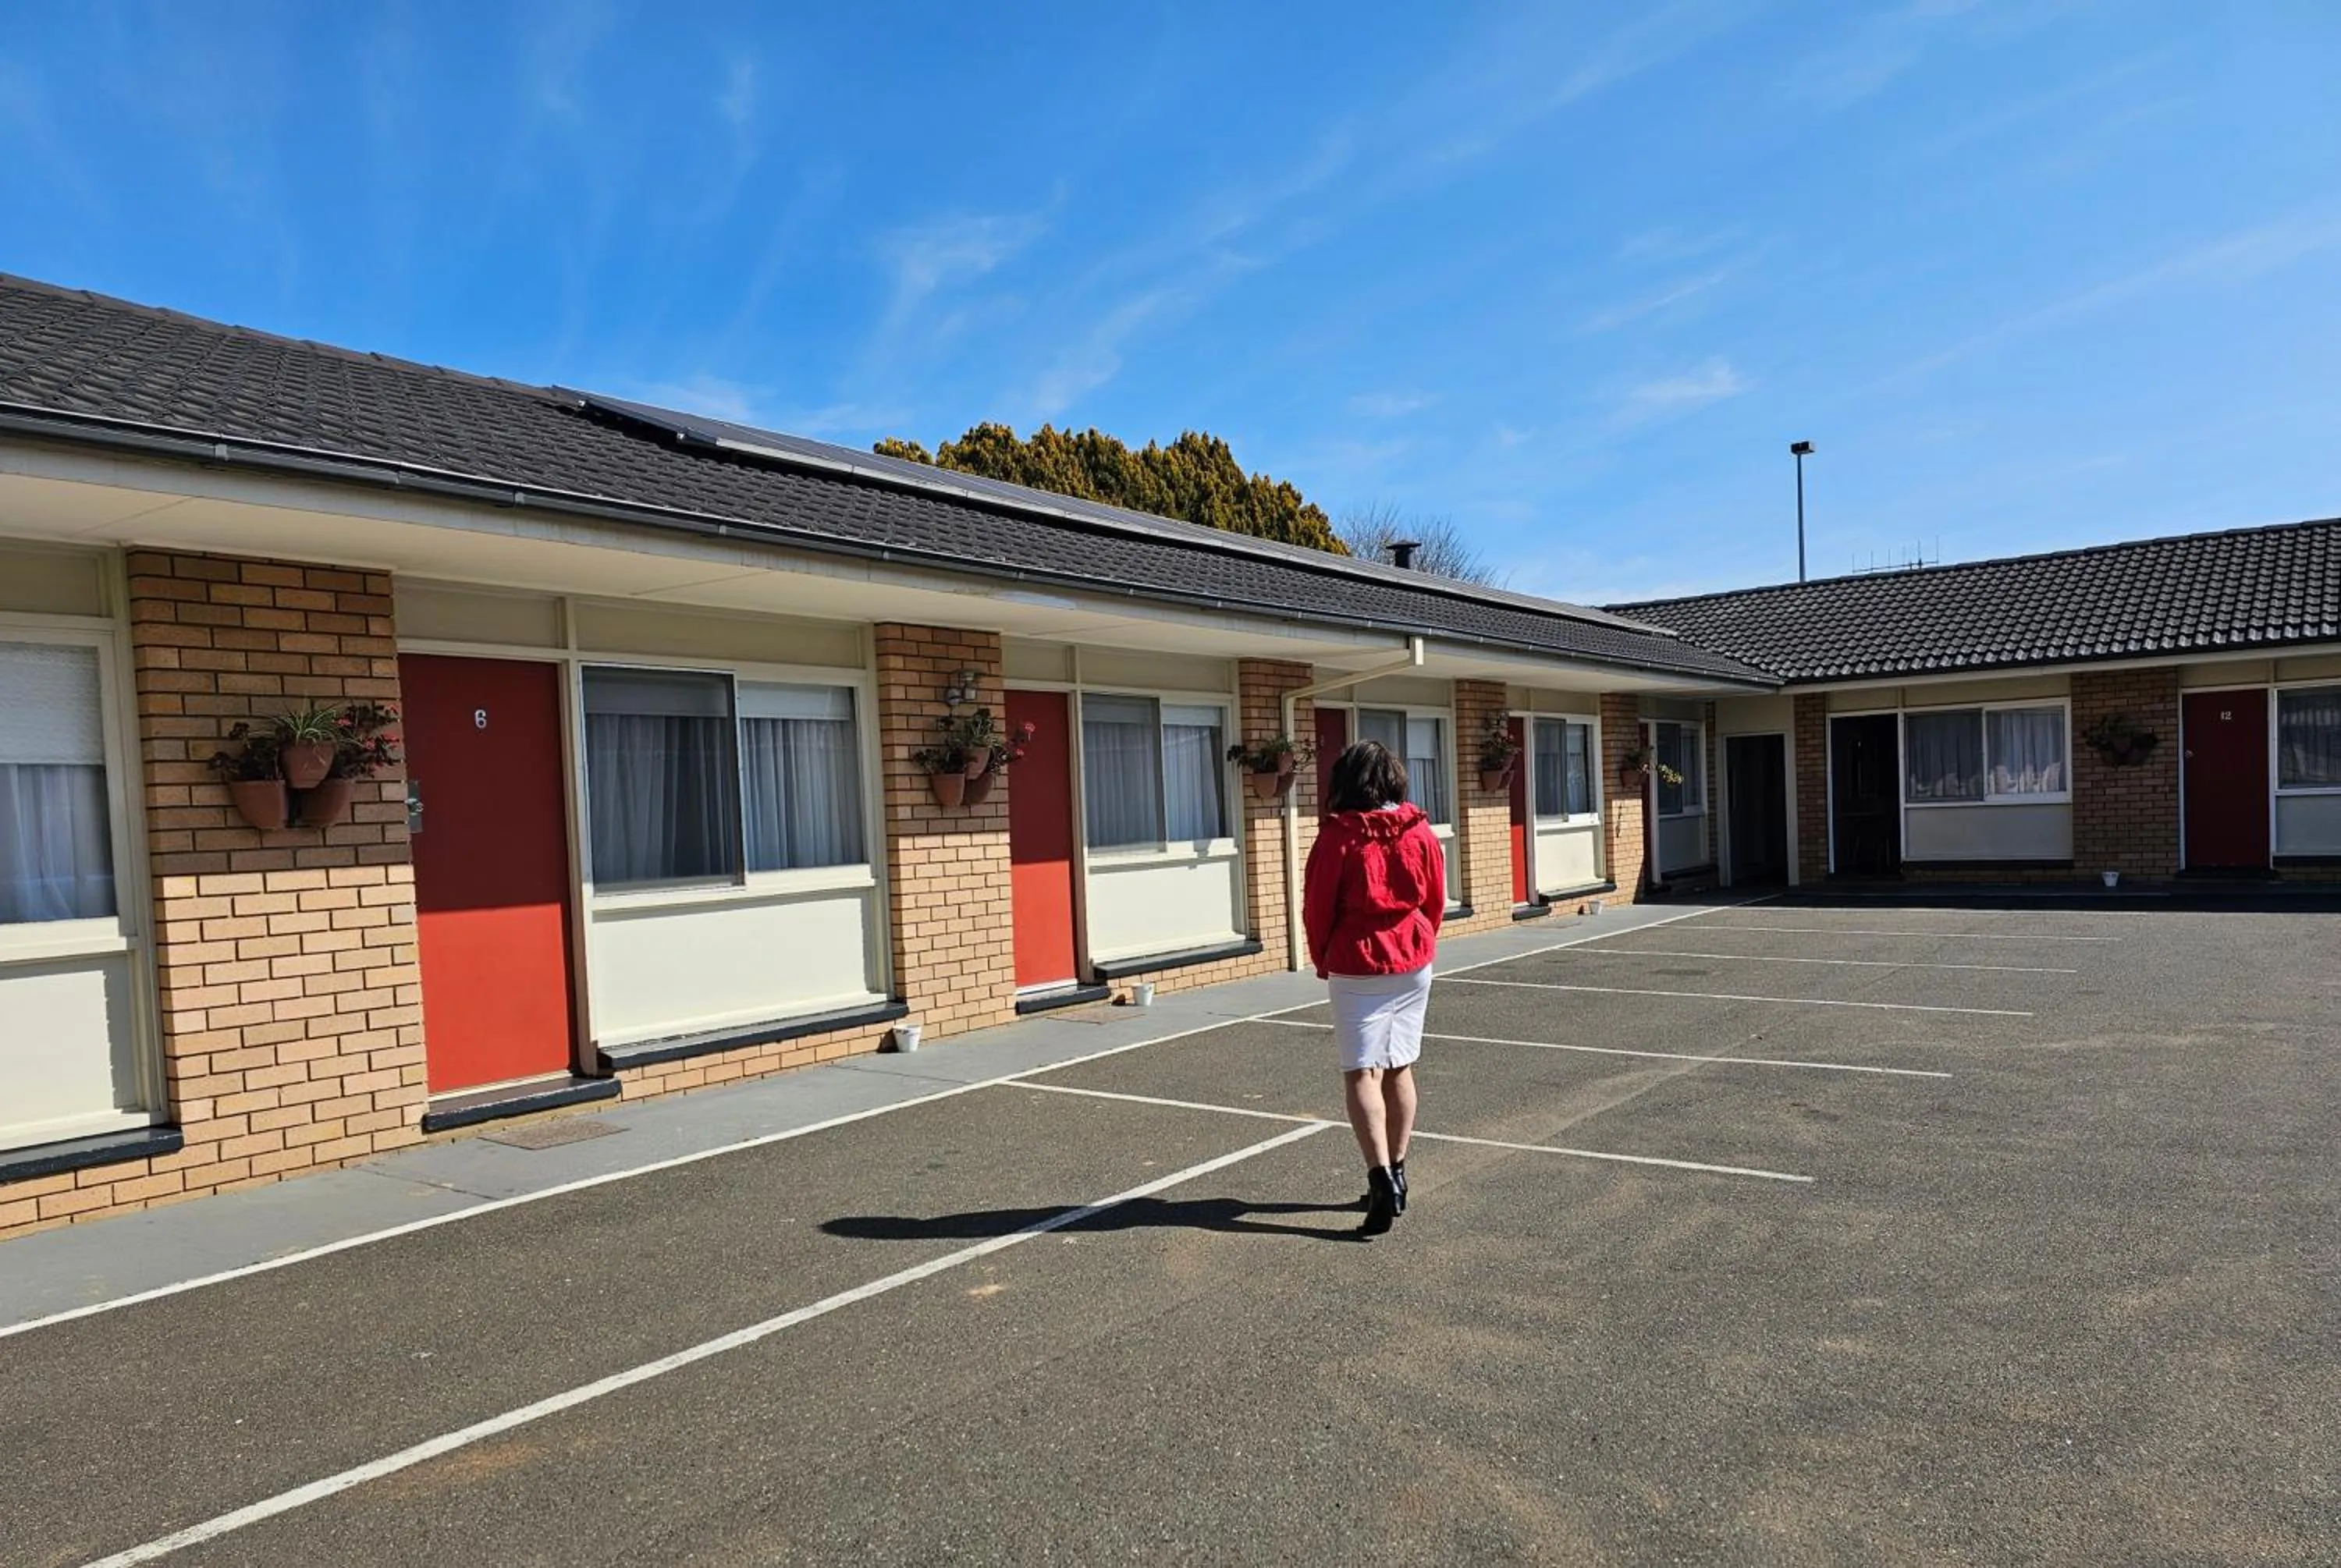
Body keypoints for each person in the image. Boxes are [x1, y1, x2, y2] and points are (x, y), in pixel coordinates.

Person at [1302, 739, 1446, 1237]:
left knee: (1361, 1072)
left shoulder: (1338, 837)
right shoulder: (1420, 832)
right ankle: (1399, 1170)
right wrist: (1421, 941)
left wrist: (1324, 958)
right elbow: (1435, 900)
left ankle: (1379, 1178)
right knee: (1399, 1067)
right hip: (1412, 959)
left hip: (1356, 963)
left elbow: (1318, 909)